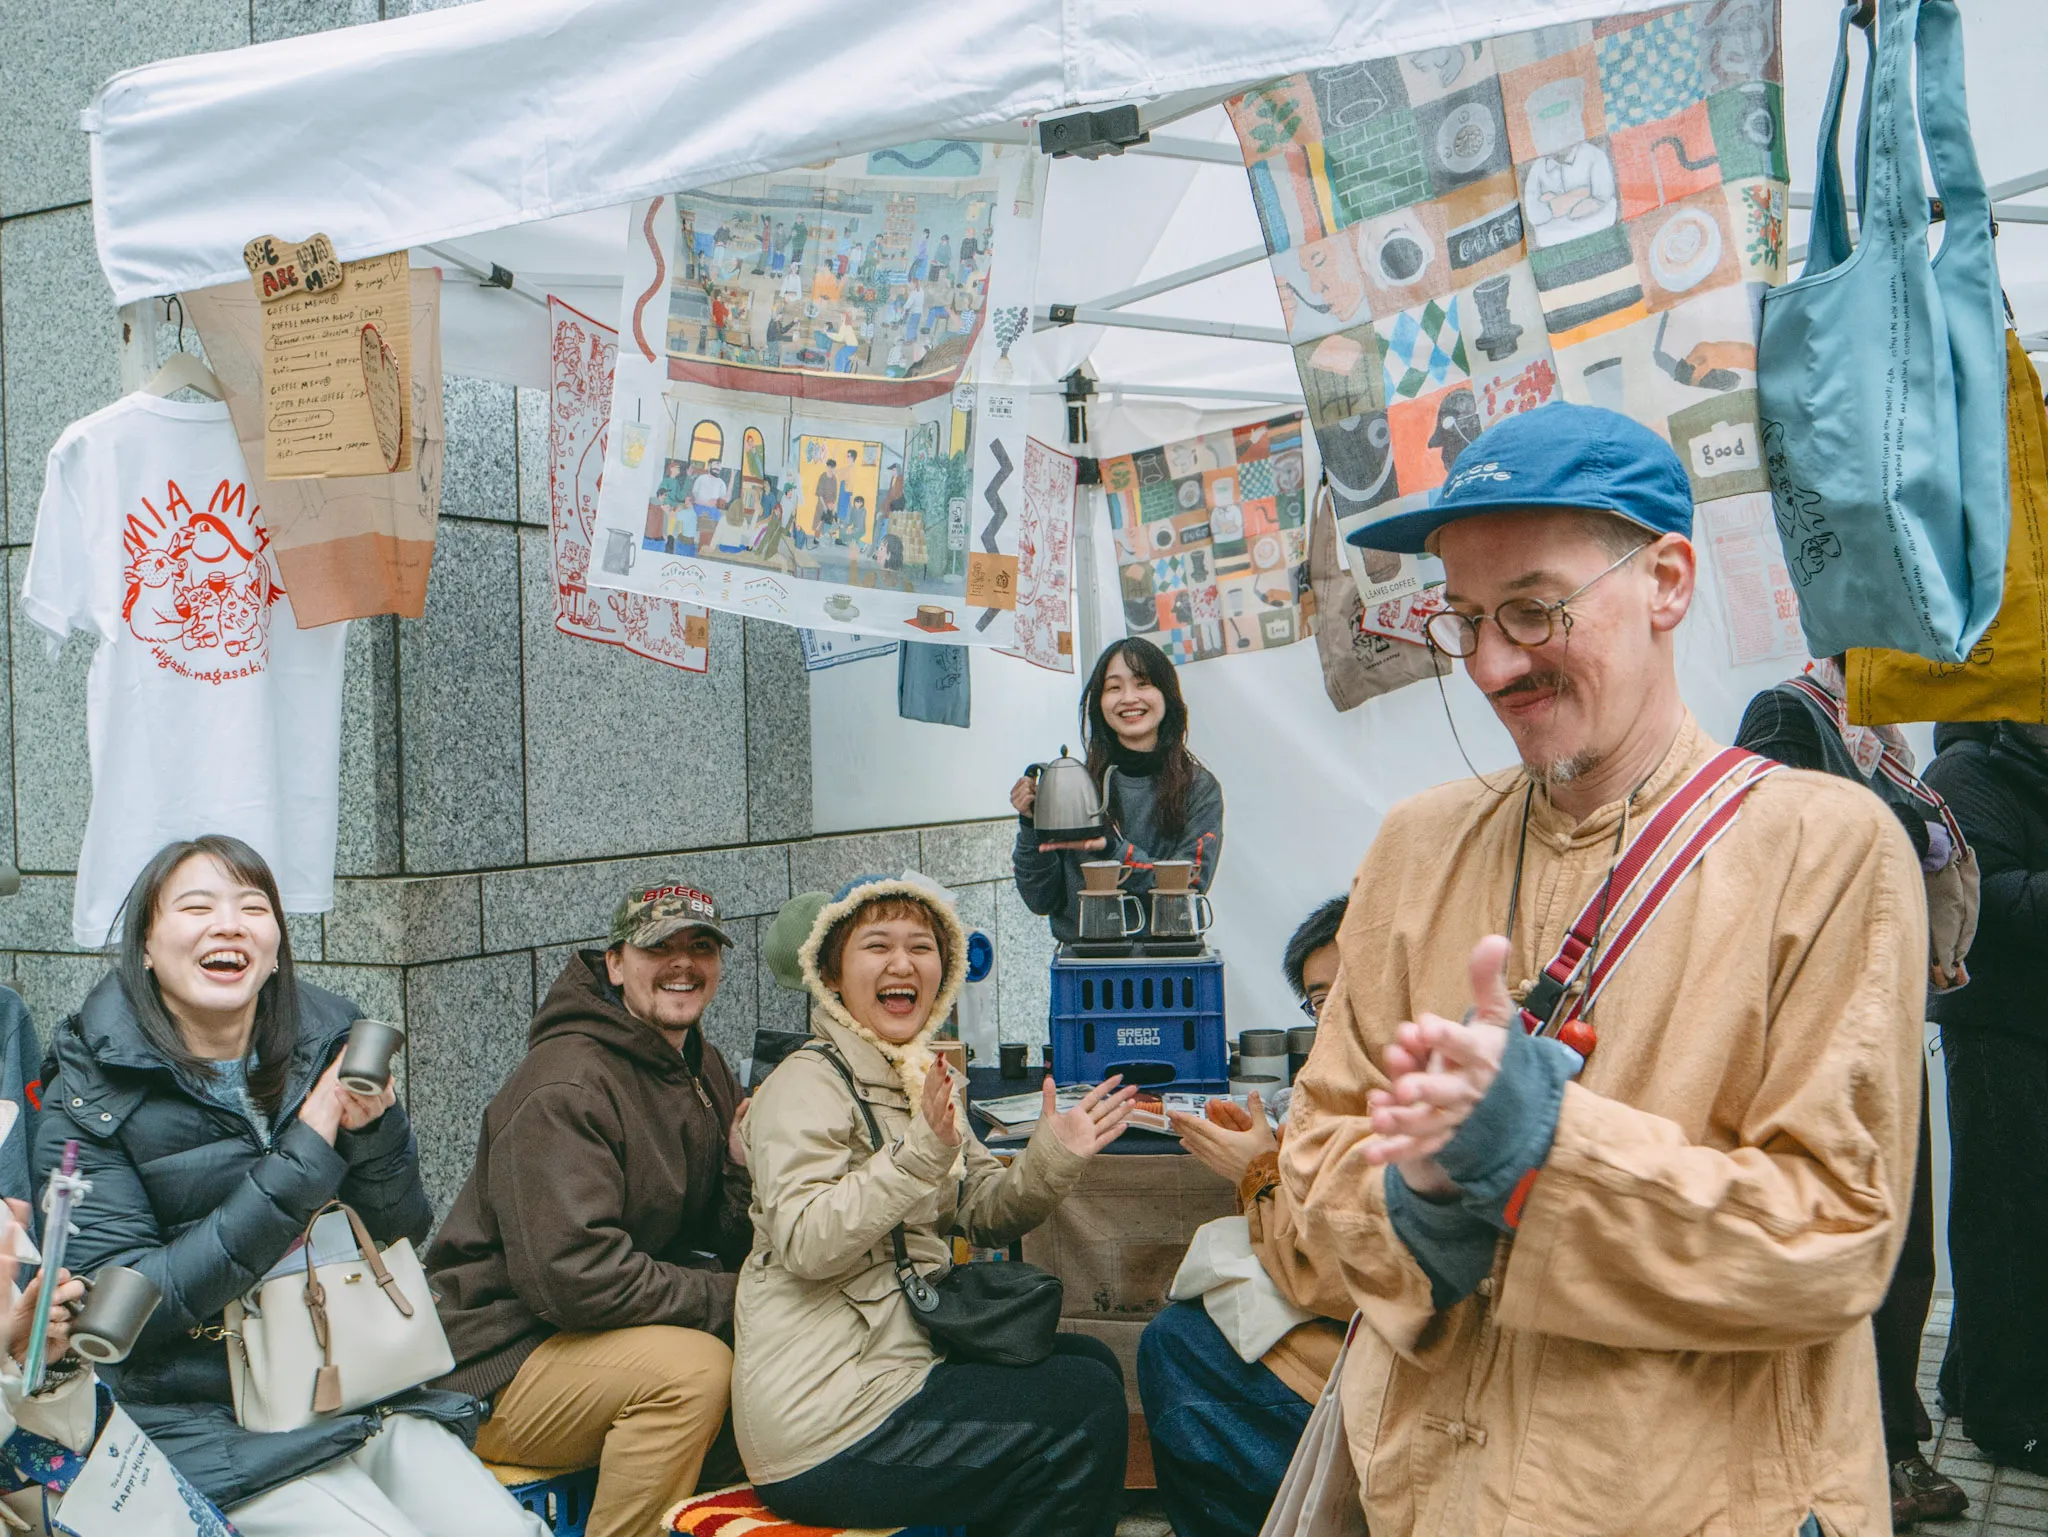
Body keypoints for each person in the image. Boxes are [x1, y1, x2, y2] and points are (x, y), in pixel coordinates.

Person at [1282, 403, 1921, 1536]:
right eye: (1464, 618)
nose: (1489, 663)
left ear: (1667, 580)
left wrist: (1546, 1155)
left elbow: (1833, 1238)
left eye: (1533, 609)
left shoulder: (1826, 848)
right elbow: (1308, 1191)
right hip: (1421, 1499)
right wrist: (1421, 1201)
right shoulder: (1415, 845)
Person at [36, 835, 544, 1536]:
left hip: (348, 1382)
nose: (229, 924)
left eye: (253, 906)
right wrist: (306, 1150)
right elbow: (119, 1316)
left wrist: (373, 1131)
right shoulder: (88, 1090)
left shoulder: (326, 1041)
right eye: (196, 906)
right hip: (199, 1421)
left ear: (274, 950)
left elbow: (400, 1229)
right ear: (146, 947)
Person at [736, 873, 1138, 1536]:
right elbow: (805, 1239)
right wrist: (917, 1152)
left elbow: (982, 1208)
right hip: (825, 1419)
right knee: (1084, 1407)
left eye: (921, 946)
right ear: (833, 974)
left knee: (1090, 1364)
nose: (902, 963)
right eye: (877, 944)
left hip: (904, 1361)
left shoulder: (918, 1074)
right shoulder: (803, 1083)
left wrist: (1051, 1156)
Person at [428, 881, 751, 1537]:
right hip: (497, 1363)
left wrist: (742, 1171)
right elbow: (575, 1276)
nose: (683, 963)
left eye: (701, 946)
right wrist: (737, 1297)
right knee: (695, 1374)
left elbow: (718, 1230)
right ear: (614, 963)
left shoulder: (700, 1063)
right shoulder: (567, 1082)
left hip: (599, 1339)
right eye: (660, 946)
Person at [1736, 658, 1972, 1528]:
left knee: (1905, 1242)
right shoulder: (1789, 714)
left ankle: (1887, 1433)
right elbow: (1770, 847)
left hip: (1885, 1010)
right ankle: (1855, 1456)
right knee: (1844, 1236)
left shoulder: (1885, 741)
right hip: (1820, 1023)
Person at [1140, 896, 1355, 1537]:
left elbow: (1335, 1273)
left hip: (1381, 1367)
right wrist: (1269, 1154)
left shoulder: (1414, 1091)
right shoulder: (1335, 1081)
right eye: (1319, 1000)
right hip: (1349, 1329)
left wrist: (1259, 1170)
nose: (1335, 1011)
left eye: (1351, 987)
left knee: (1173, 1348)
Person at [1924, 721, 2048, 1477]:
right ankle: (2010, 1418)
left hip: (2033, 1021)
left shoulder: (2024, 766)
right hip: (1996, 1027)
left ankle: (1966, 1378)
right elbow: (1984, 900)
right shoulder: (1969, 768)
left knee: (2019, 1220)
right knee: (2006, 1221)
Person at [1011, 637, 1225, 945]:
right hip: (1084, 966)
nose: (1128, 698)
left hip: (1169, 963)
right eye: (1114, 688)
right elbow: (1040, 900)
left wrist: (1109, 848)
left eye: (1142, 684)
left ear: (1167, 696)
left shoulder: (1199, 788)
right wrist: (1030, 825)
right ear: (1099, 703)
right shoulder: (1073, 786)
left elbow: (1190, 884)